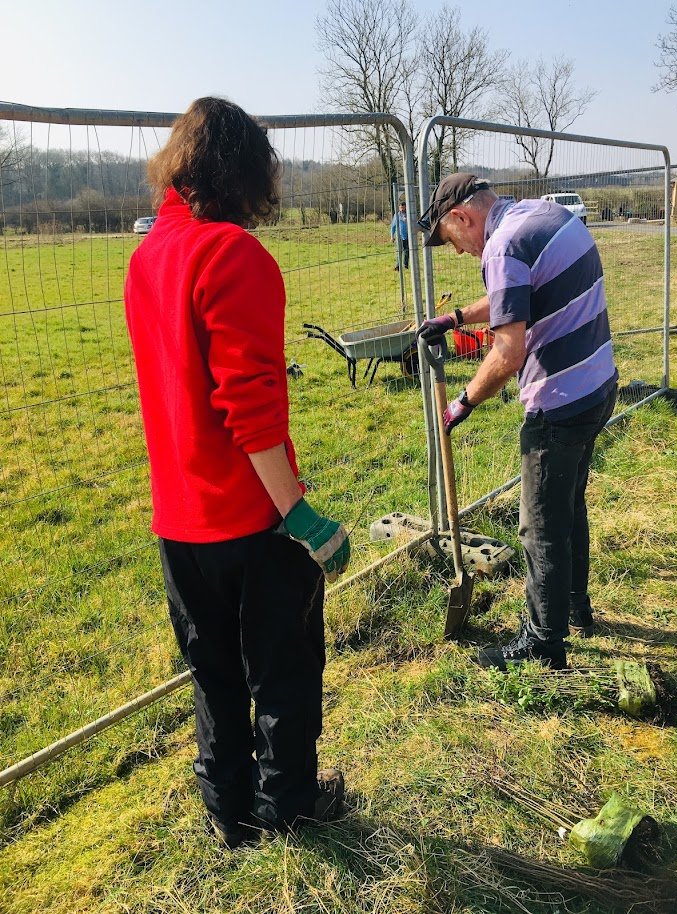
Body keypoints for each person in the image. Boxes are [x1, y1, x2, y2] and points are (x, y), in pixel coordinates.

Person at [124, 97, 350, 847]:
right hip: (250, 517)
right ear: (245, 173)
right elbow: (247, 405)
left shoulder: (146, 256)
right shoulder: (233, 255)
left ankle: (228, 813)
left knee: (213, 674)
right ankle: (287, 809)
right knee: (282, 671)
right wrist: (300, 516)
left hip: (176, 517)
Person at [417, 174, 618, 672]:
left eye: (451, 240)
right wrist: (458, 317)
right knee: (568, 502)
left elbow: (507, 352)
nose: (461, 253)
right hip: (599, 384)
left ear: (462, 217)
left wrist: (462, 402)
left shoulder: (502, 246)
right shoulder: (544, 216)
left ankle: (542, 642)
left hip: (559, 400)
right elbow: (517, 295)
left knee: (539, 526)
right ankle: (574, 607)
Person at [390, 199, 409, 269]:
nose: (401, 209)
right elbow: (393, 226)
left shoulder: (409, 214)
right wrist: (392, 236)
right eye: (400, 207)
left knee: (407, 251)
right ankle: (397, 266)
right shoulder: (396, 215)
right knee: (399, 251)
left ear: (405, 207)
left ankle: (405, 265)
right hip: (399, 236)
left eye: (403, 207)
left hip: (407, 236)